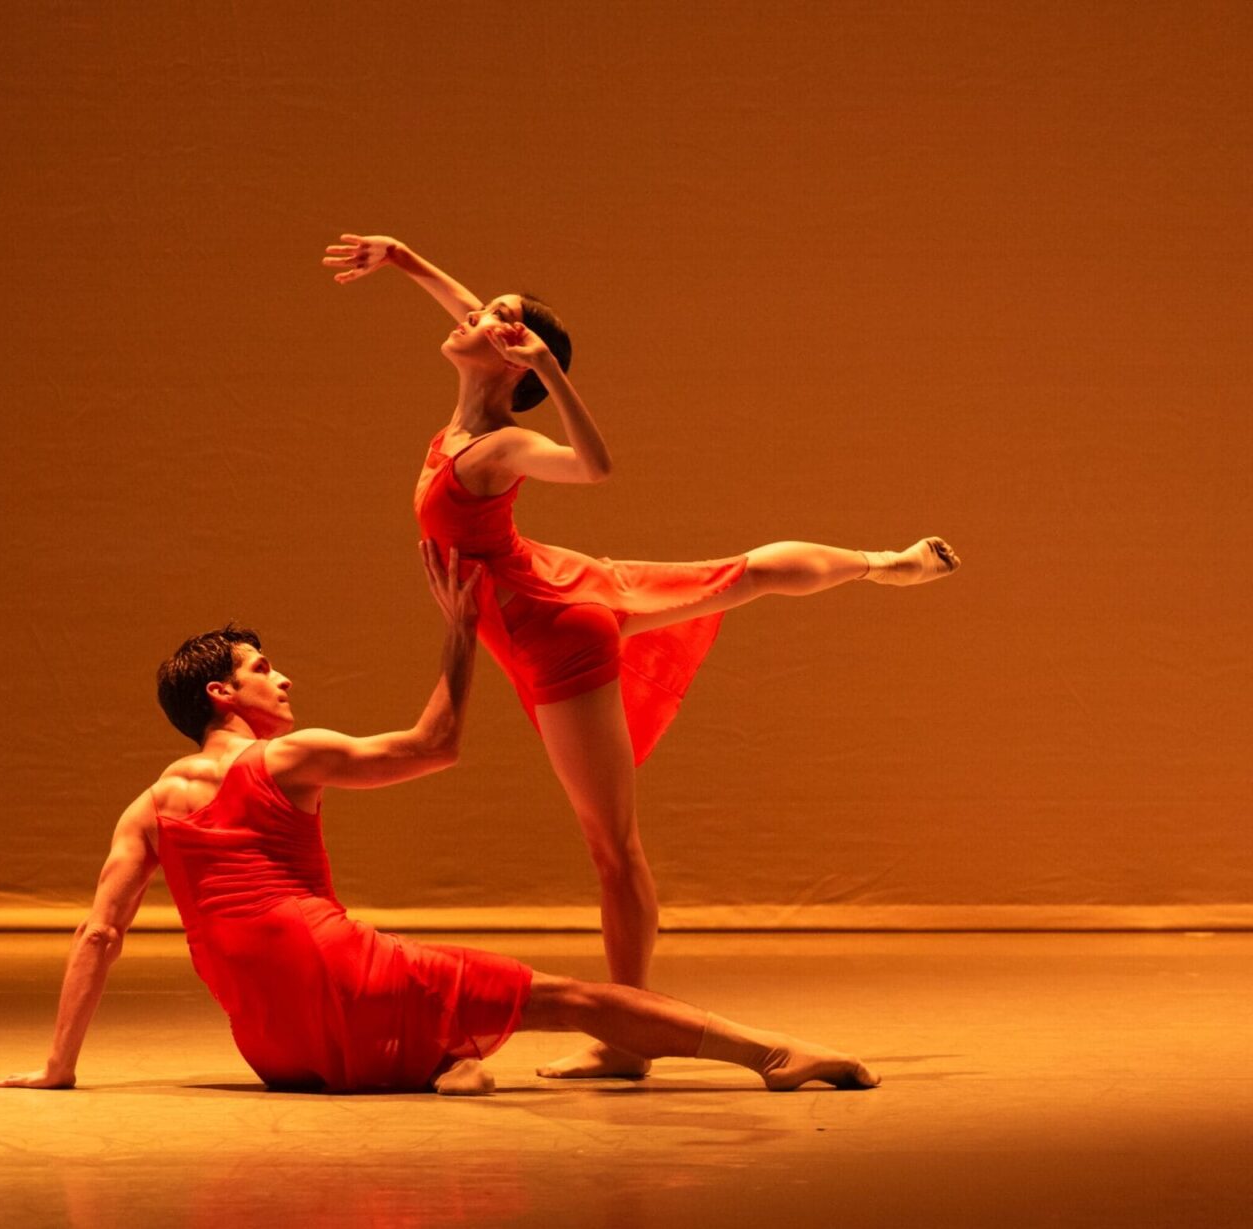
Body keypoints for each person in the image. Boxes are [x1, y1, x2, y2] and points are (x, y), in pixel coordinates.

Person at [323, 233, 960, 1078]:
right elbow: (472, 314)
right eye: (481, 311)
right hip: (549, 579)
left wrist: (551, 368)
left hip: (551, 627)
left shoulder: (502, 445)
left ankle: (629, 1036)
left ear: (513, 361)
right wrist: (404, 261)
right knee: (741, 573)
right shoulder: (468, 415)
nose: (474, 315)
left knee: (613, 846)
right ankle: (888, 563)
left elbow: (596, 466)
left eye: (496, 319)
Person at [0, 544, 877, 1096]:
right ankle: (770, 1054)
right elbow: (435, 745)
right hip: (341, 976)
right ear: (222, 692)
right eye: (265, 668)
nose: (284, 678)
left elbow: (99, 932)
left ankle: (449, 1059)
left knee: (447, 1005)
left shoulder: (148, 804)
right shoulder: (284, 758)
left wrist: (61, 1066)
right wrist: (459, 629)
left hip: (273, 1049)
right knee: (570, 999)